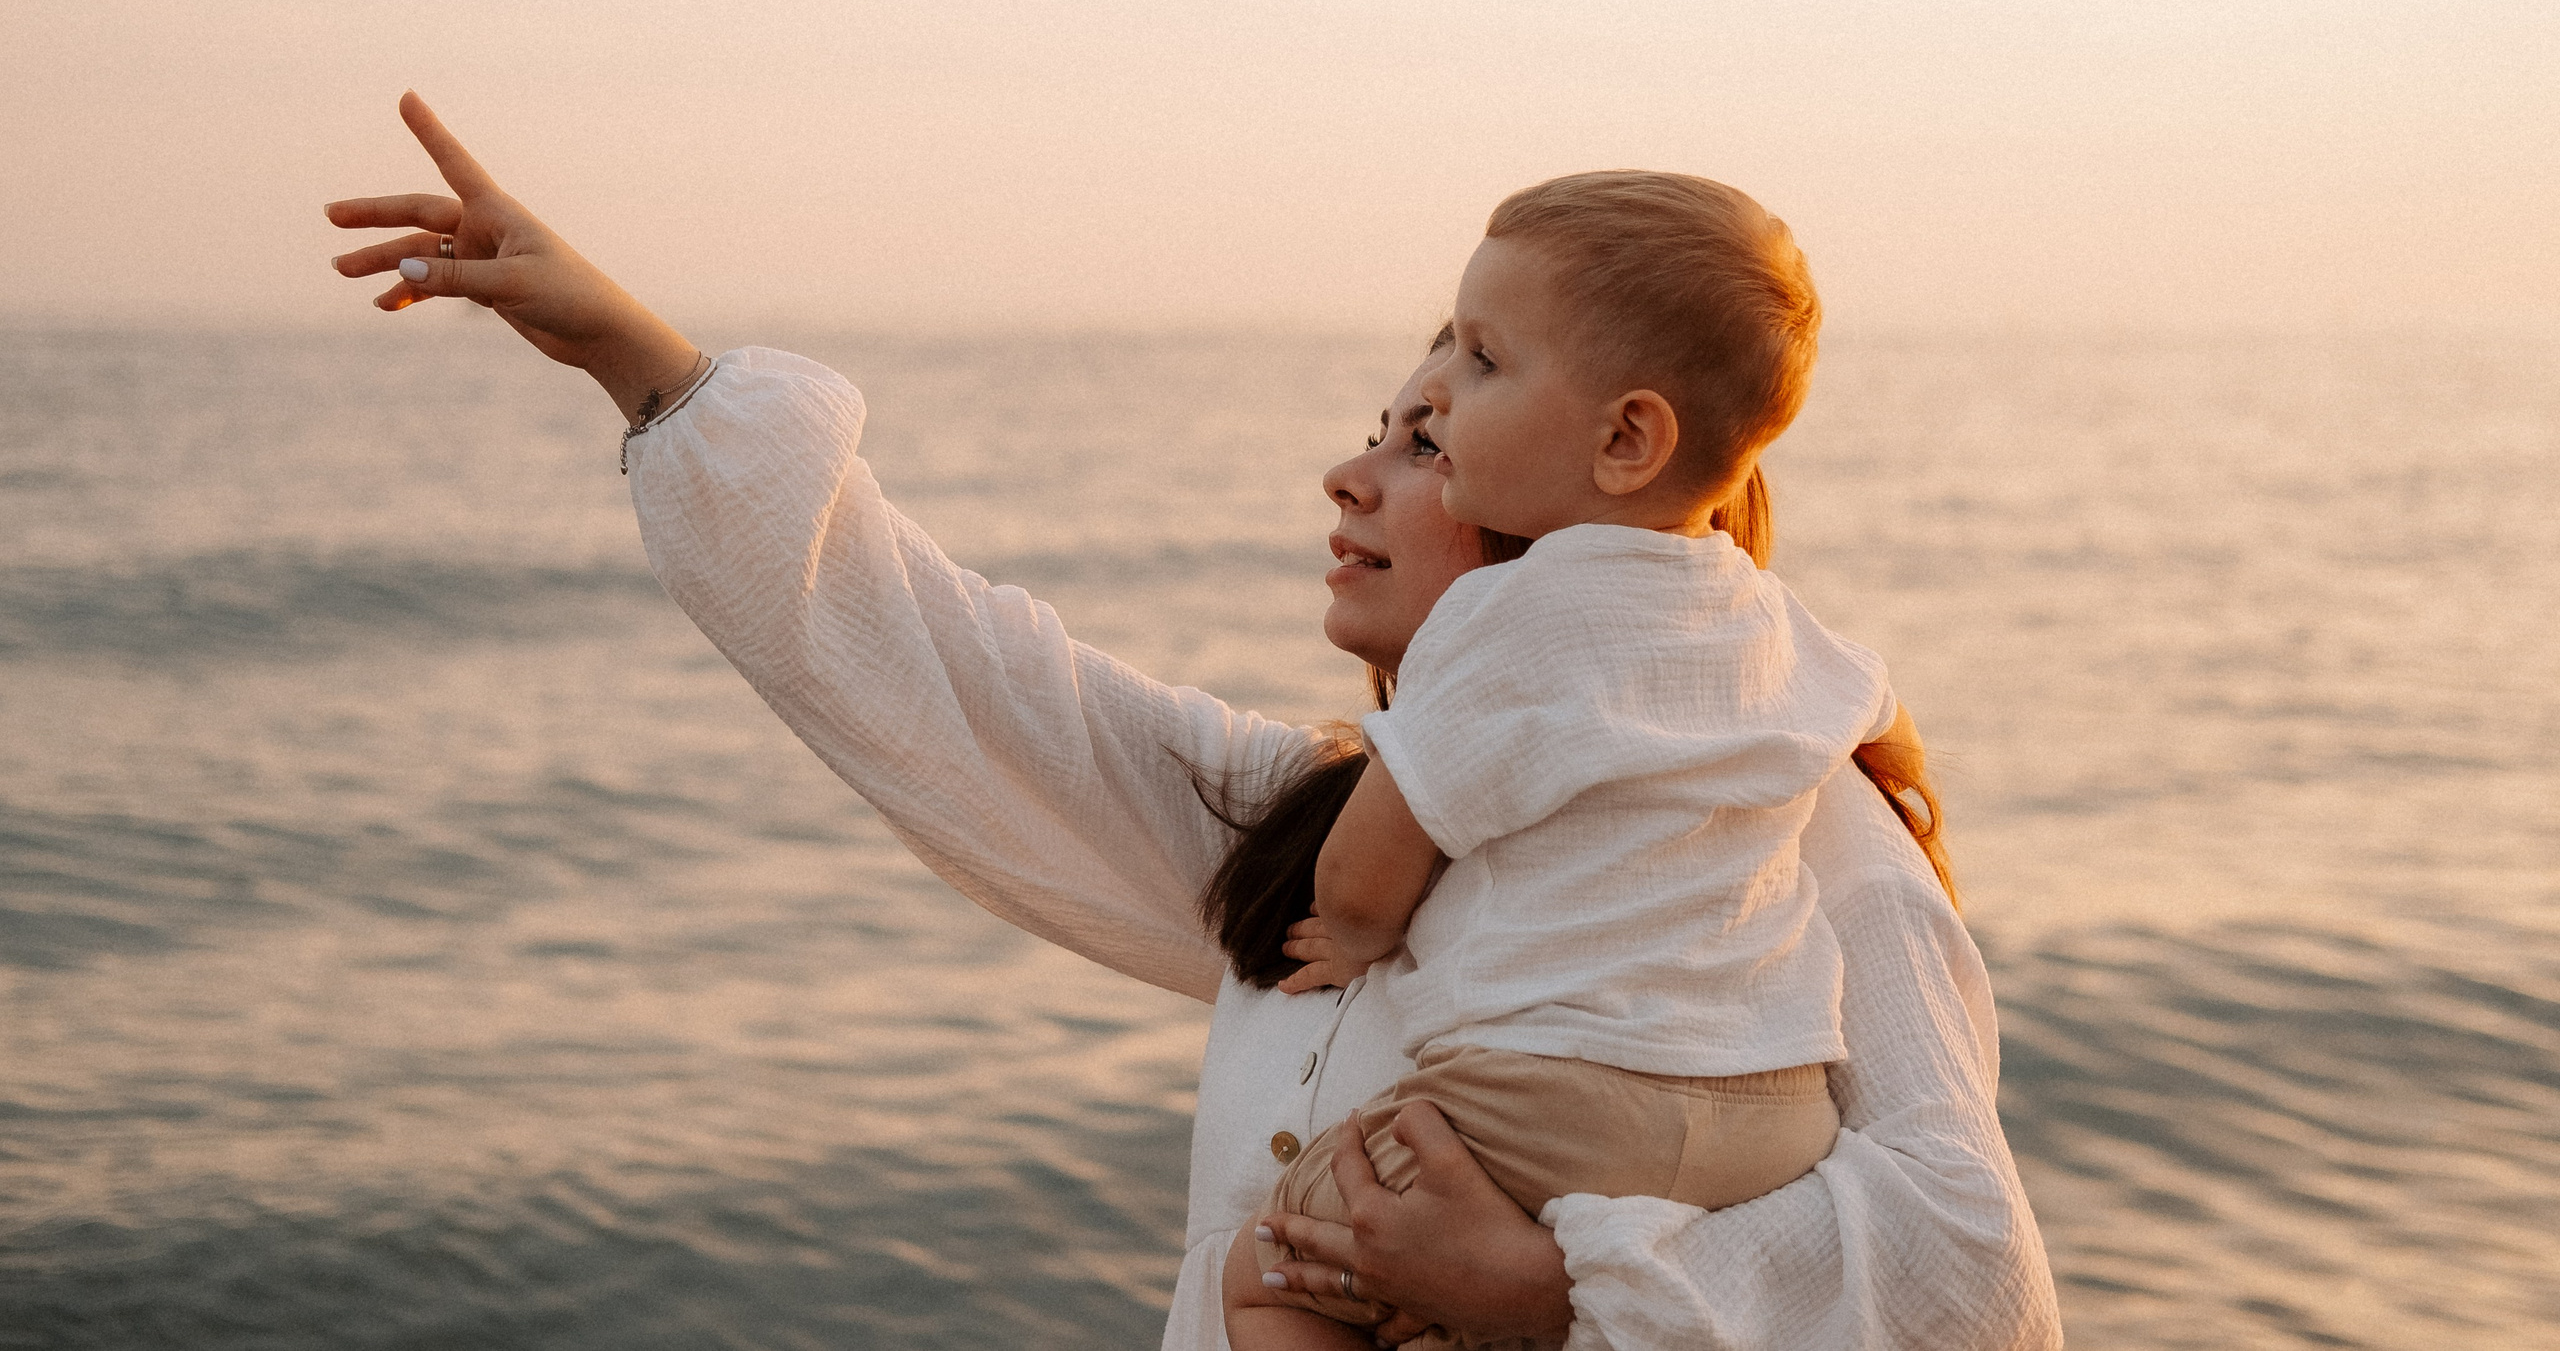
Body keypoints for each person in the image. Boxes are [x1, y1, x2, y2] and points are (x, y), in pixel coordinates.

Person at [327, 93, 2062, 1348]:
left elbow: (1977, 1277)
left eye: (1424, 435)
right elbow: (950, 672)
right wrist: (640, 360)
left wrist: (1554, 1296)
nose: (1357, 464)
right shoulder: (1298, 826)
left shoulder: (1782, 830)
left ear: (1586, 505)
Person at [1224, 174, 1888, 1351]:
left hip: (1568, 1101)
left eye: (1477, 369)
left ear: (1626, 438)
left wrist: (1358, 932)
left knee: (1273, 1271)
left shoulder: (1508, 616)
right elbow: (1861, 705)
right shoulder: (1773, 624)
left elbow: (1363, 872)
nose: (1449, 399)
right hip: (1777, 1121)